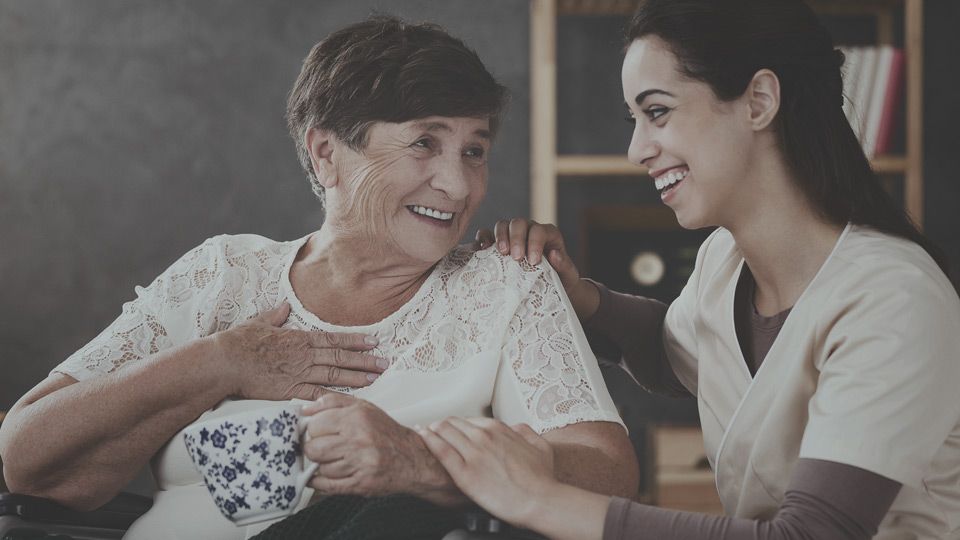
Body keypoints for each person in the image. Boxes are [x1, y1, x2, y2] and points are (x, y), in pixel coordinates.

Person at [0, 16, 638, 539]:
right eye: (425, 144)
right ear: (327, 152)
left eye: (475, 150)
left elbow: (609, 475)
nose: (460, 184)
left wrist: (420, 463)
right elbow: (29, 457)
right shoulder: (221, 275)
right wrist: (218, 362)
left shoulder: (506, 286)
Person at [418, 0, 960, 539]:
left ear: (759, 101)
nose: (636, 149)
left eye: (657, 112)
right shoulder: (725, 259)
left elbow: (813, 535)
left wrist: (540, 498)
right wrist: (576, 296)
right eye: (634, 119)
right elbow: (672, 352)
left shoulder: (894, 299)